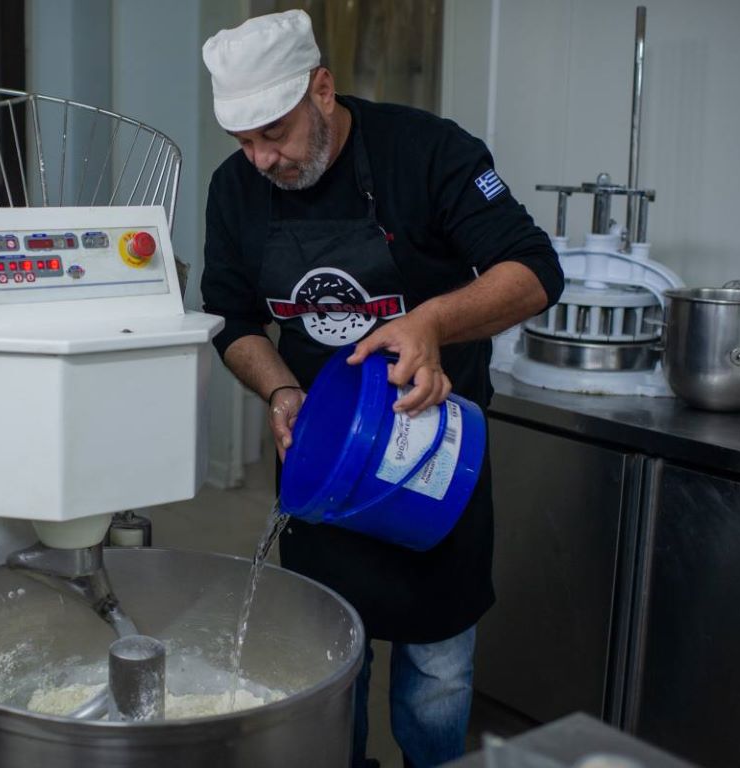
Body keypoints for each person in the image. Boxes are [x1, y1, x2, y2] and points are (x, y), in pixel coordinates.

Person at [200, 9, 563, 768]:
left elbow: (534, 271)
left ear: (321, 90)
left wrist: (431, 321)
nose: (261, 159)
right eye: (243, 141)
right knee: (329, 664)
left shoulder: (428, 153)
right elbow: (232, 320)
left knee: (436, 675)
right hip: (325, 460)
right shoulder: (235, 190)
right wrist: (281, 392)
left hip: (436, 460)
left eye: (274, 133)